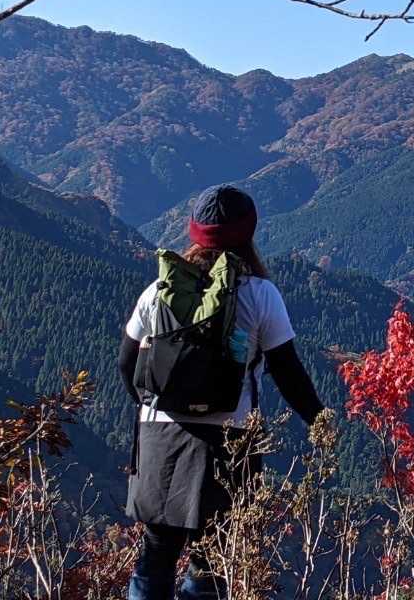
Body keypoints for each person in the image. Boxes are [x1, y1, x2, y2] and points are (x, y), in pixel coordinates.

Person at [118, 185, 324, 599]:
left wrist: (157, 407)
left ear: (193, 231)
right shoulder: (259, 294)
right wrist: (321, 422)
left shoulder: (159, 291)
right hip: (229, 442)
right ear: (248, 233)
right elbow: (287, 372)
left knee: (156, 555)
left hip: (160, 436)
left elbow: (127, 364)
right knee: (211, 563)